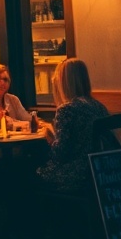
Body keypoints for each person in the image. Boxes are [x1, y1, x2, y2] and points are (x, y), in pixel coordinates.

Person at [36, 58, 109, 192]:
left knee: (28, 172)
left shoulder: (66, 109)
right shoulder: (99, 106)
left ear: (64, 83)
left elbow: (60, 154)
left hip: (77, 176)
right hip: (101, 171)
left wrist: (50, 136)